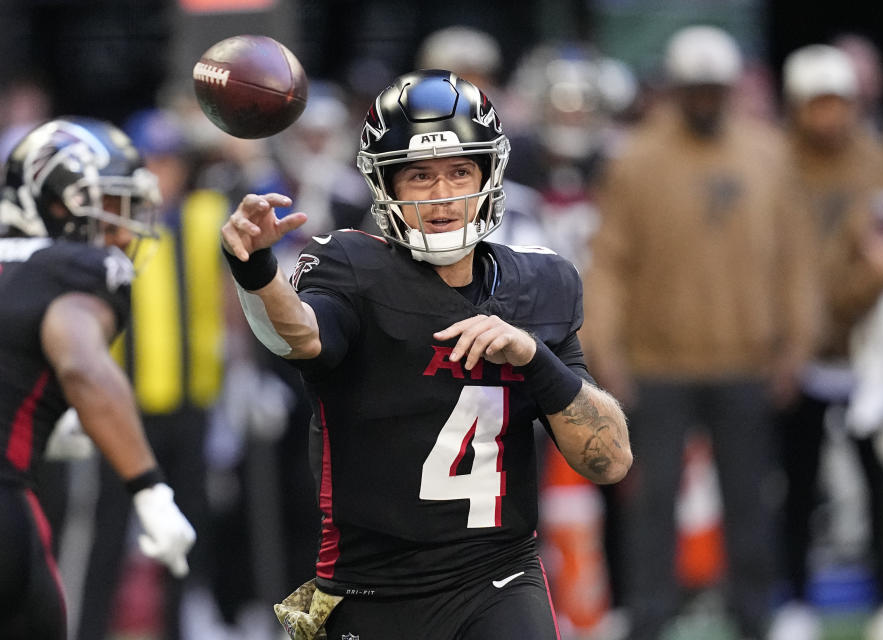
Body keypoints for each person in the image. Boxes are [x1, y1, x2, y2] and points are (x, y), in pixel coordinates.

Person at [219, 69, 632, 640]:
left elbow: (609, 460)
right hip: (371, 586)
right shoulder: (351, 267)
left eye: (461, 171)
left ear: (490, 173)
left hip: (498, 576)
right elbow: (303, 335)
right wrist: (257, 271)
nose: (443, 197)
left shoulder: (541, 282)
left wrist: (536, 359)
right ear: (387, 184)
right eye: (420, 177)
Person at [582, 25, 820, 639]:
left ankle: (756, 614)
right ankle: (648, 616)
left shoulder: (768, 154)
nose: (706, 99)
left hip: (747, 359)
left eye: (716, 88)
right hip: (657, 363)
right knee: (651, 502)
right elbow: (610, 263)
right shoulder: (636, 159)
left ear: (732, 88)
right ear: (676, 89)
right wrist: (604, 352)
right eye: (695, 88)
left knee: (750, 499)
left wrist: (797, 344)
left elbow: (795, 259)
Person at [0, 116, 196, 639]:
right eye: (109, 206)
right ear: (54, 202)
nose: (122, 228)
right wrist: (150, 489)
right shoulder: (74, 268)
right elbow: (81, 364)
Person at [770, 45, 883, 640]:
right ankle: (794, 600)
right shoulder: (774, 163)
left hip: (865, 350)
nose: (829, 116)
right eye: (818, 103)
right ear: (796, 106)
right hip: (797, 351)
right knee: (796, 482)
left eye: (838, 102)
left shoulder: (874, 162)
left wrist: (851, 290)